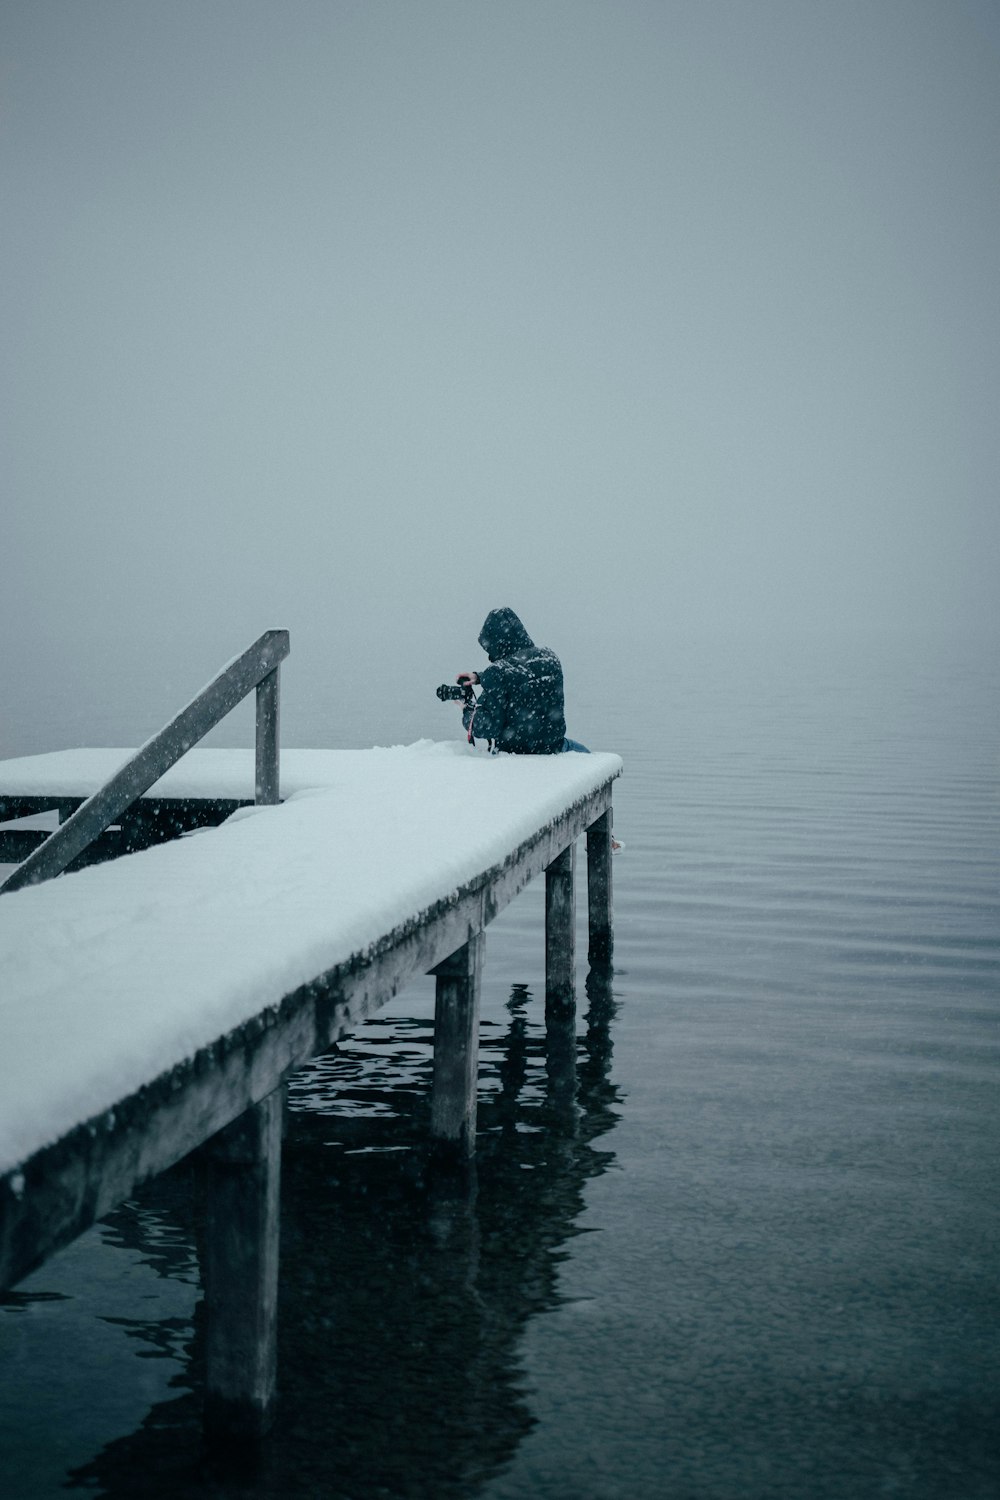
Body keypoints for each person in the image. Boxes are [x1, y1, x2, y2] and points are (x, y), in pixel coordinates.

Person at [455, 607, 588, 754]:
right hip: (556, 746)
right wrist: (480, 677)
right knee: (590, 757)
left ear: (496, 643)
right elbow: (524, 675)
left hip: (517, 755)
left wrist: (467, 710)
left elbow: (487, 727)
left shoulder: (498, 672)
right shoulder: (549, 658)